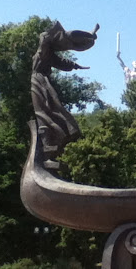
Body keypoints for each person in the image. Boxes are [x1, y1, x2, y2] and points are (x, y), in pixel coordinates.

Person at [31, 21, 99, 169]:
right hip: (38, 82)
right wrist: (89, 35)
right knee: (44, 114)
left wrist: (75, 65)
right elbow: (57, 39)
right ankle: (48, 151)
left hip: (42, 82)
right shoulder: (42, 50)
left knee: (46, 114)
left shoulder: (47, 54)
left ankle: (50, 152)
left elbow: (61, 61)